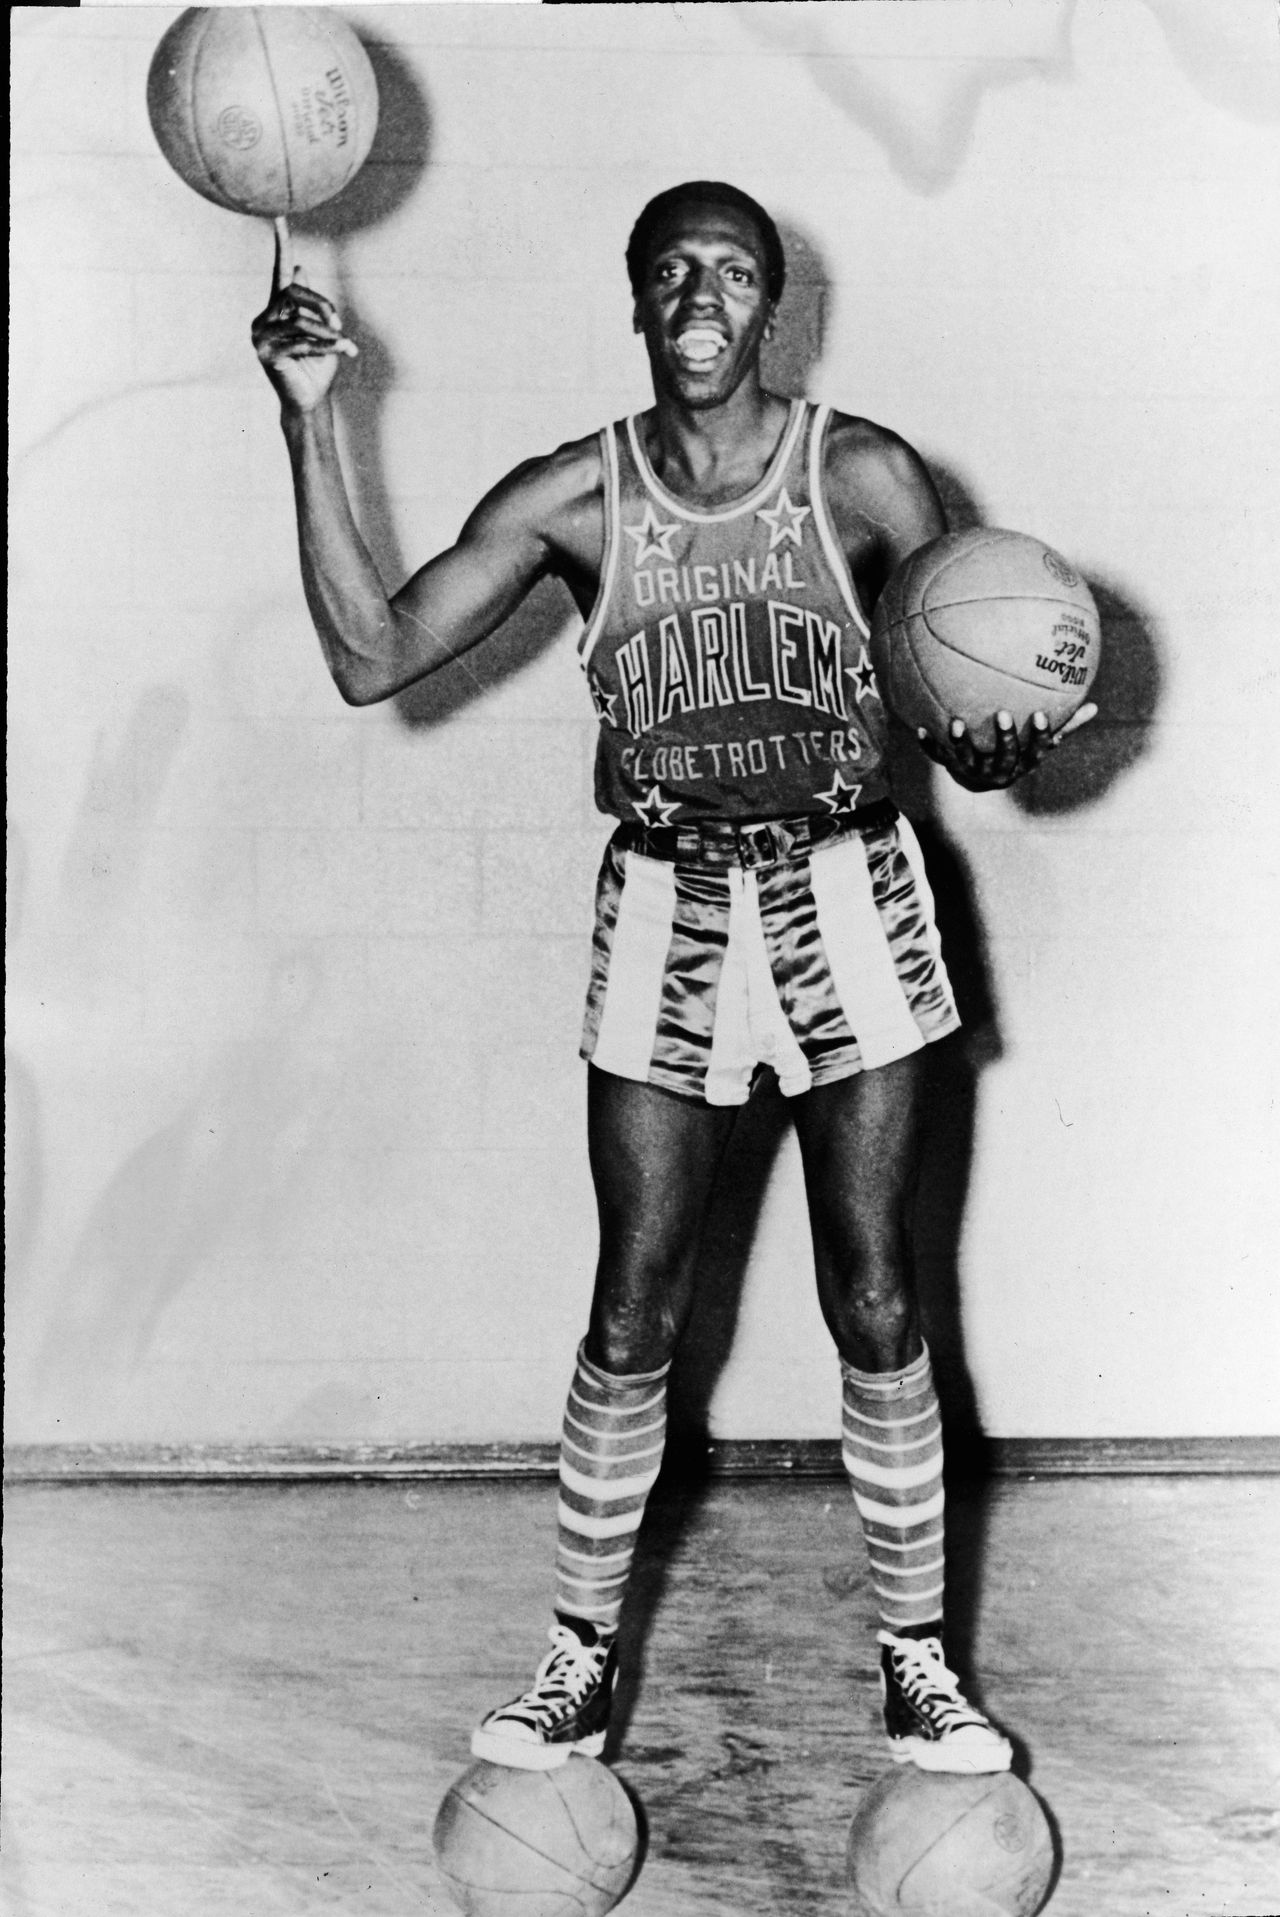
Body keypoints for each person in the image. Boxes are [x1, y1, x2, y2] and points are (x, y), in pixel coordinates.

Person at [253, 180, 1092, 1779]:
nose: (700, 292)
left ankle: (917, 1661)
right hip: (665, 901)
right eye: (670, 270)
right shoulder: (576, 497)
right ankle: (576, 1657)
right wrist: (309, 415)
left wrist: (998, 744)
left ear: (771, 304)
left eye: (730, 271)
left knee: (878, 1287)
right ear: (636, 299)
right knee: (634, 1300)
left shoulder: (862, 474)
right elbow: (368, 653)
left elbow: (969, 721)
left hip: (850, 882)